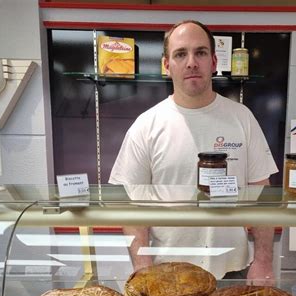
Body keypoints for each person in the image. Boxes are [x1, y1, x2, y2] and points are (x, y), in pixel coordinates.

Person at [109, 20, 278, 281]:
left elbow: (263, 196)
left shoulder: (242, 118)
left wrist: (264, 261)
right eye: (180, 54)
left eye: (200, 52)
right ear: (167, 65)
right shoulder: (147, 125)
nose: (191, 62)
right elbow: (132, 207)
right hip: (168, 273)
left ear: (213, 61)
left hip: (232, 269)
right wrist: (142, 268)